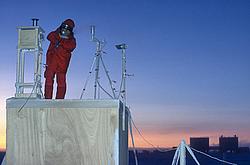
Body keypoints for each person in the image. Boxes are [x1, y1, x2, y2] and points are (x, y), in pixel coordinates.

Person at [44, 19, 76, 99]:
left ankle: (60, 99)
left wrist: (62, 42)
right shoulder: (55, 35)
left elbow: (71, 47)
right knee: (49, 80)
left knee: (61, 82)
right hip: (52, 62)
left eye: (67, 29)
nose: (64, 30)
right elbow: (49, 36)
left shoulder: (71, 40)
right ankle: (47, 98)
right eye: (63, 27)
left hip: (62, 64)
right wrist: (58, 38)